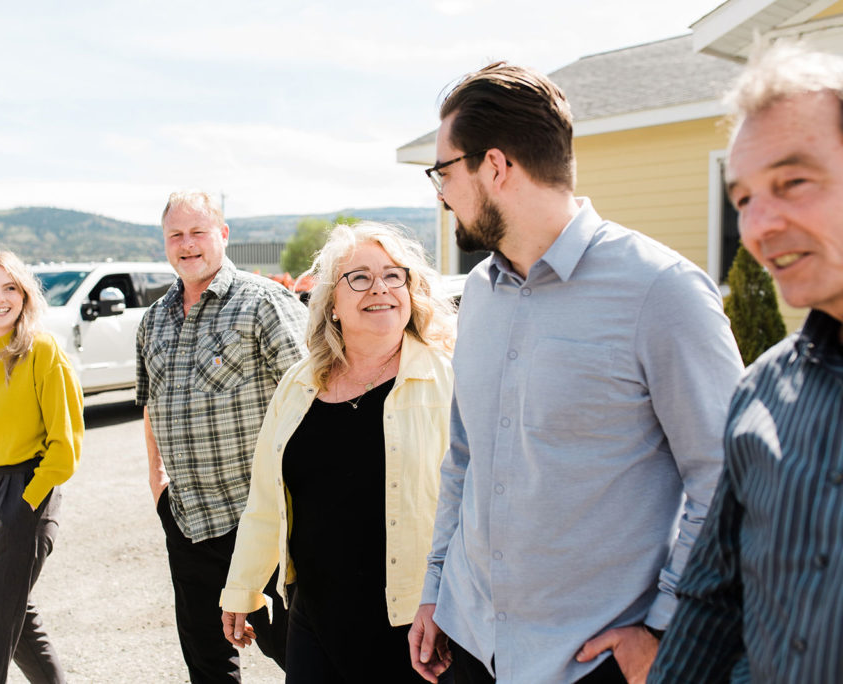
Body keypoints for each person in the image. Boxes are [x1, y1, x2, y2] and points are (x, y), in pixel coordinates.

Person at [408, 62, 745, 684]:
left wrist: (667, 629)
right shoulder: (477, 294)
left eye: (445, 171)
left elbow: (727, 481)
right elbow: (464, 457)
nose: (440, 190)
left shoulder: (662, 292)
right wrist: (436, 589)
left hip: (592, 665)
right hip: (470, 643)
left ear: (496, 166)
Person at [648, 44, 843, 684]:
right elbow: (711, 604)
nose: (758, 227)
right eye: (742, 199)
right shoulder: (762, 393)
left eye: (792, 183)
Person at [219, 221, 456, 683]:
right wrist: (241, 587)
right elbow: (266, 499)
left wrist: (450, 601)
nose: (380, 288)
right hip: (316, 616)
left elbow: (473, 505)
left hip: (414, 619)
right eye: (360, 277)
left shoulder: (447, 379)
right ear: (332, 304)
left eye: (394, 275)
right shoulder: (300, 383)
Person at [135, 190, 308, 682]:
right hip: (187, 519)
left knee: (297, 651)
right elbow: (150, 404)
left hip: (259, 522)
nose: (187, 245)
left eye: (198, 232)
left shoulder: (264, 303)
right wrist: (157, 482)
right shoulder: (154, 320)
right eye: (176, 235)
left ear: (223, 235)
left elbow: (311, 398)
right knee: (207, 663)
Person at [0, 251, 83, 684]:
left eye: (9, 287)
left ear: (25, 295)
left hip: (24, 495)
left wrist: (24, 502)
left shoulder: (43, 350)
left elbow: (65, 447)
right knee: (14, 619)